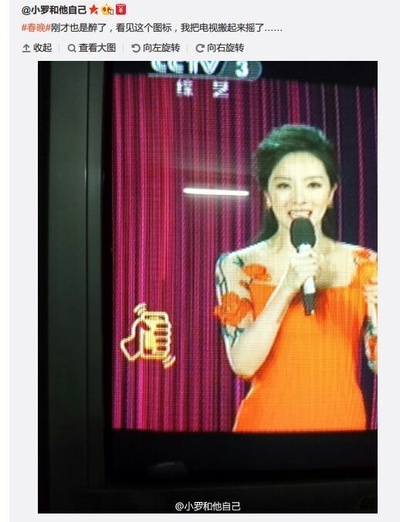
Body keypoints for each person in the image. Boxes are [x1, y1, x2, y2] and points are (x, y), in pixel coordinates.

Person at [214, 124, 377, 433]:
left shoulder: (365, 263)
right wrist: (287, 287)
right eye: (284, 185)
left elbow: (381, 364)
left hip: (344, 431)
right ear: (267, 195)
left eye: (313, 185)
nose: (299, 199)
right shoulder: (237, 265)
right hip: (263, 431)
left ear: (331, 194)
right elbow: (243, 364)